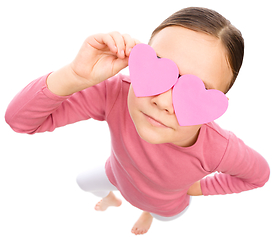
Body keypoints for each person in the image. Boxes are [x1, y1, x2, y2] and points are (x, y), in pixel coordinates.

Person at [5, 7, 270, 235]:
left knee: (159, 214)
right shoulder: (115, 93)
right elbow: (21, 121)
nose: (163, 102)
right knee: (83, 182)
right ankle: (112, 198)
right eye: (158, 68)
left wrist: (198, 189)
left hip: (166, 206)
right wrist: (75, 76)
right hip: (116, 176)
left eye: (196, 91)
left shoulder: (220, 149)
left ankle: (148, 214)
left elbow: (259, 176)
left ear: (216, 104)